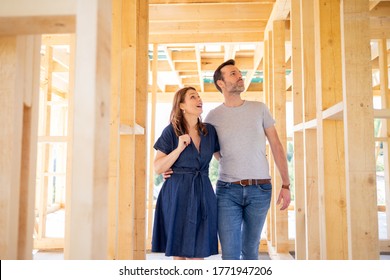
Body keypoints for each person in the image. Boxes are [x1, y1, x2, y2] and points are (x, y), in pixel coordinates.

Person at [164, 59, 291, 260]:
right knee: (230, 255)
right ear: (221, 83)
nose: (240, 76)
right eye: (233, 73)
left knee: (250, 251)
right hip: (227, 192)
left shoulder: (259, 108)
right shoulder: (212, 117)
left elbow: (276, 146)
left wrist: (286, 184)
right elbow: (203, 148)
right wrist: (172, 168)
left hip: (260, 190)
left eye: (239, 73)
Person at [151, 86, 220, 260]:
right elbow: (158, 168)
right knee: (180, 253)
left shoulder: (209, 131)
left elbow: (222, 157)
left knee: (199, 253)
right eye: (193, 97)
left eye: (199, 96)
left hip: (203, 192)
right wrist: (179, 149)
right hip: (177, 194)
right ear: (181, 105)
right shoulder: (171, 131)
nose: (199, 99)